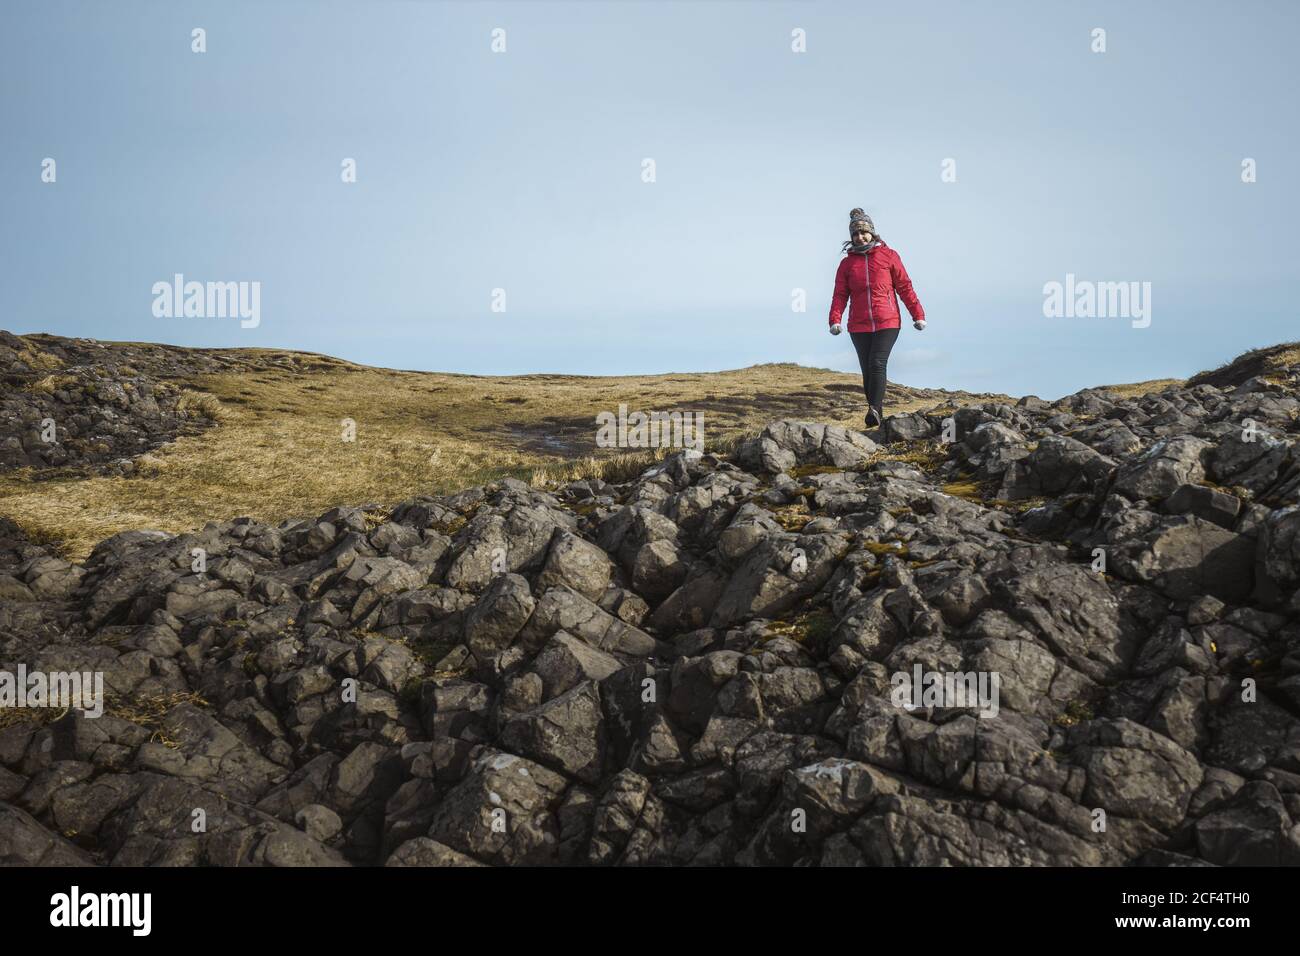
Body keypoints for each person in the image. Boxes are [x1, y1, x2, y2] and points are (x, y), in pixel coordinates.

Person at [828, 208, 927, 430]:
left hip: (887, 321)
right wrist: (835, 319)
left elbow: (904, 286)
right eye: (855, 234)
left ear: (872, 233)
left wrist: (917, 314)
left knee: (877, 363)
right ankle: (876, 413)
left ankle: (873, 407)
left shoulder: (889, 256)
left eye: (863, 232)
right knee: (866, 369)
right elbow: (840, 294)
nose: (860, 237)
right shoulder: (847, 264)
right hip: (858, 325)